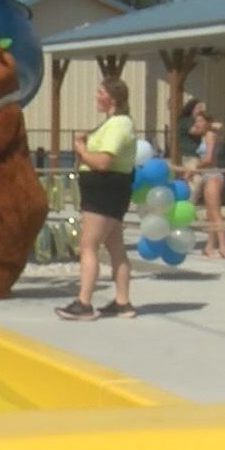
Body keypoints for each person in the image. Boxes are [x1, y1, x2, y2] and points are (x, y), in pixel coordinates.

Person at [55, 79, 137, 321]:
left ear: (112, 98)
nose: (96, 96)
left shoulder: (119, 124)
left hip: (104, 189)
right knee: (115, 246)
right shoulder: (112, 123)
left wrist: (81, 150)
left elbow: (102, 162)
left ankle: (84, 303)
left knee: (88, 246)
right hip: (109, 189)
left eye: (100, 92)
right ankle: (122, 302)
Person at [181, 99, 225, 259]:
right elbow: (192, 130)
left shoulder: (209, 136)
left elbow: (208, 158)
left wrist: (194, 168)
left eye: (201, 120)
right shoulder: (206, 135)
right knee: (210, 212)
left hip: (212, 174)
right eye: (197, 120)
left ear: (207, 122)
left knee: (215, 212)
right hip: (206, 174)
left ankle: (223, 247)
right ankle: (210, 246)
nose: (198, 123)